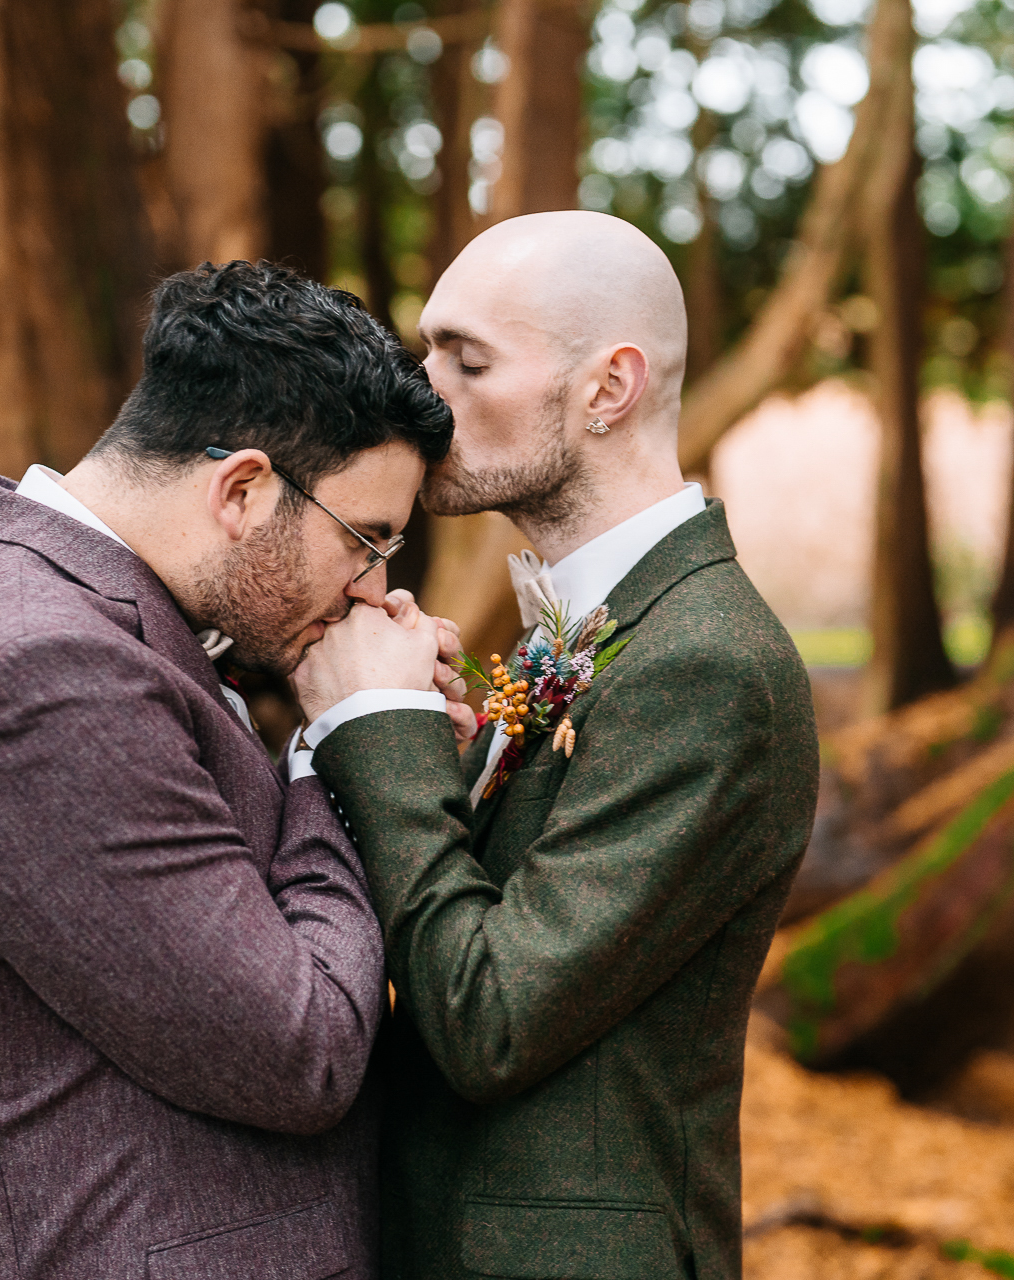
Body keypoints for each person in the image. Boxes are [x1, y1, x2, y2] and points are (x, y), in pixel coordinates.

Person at [0, 261, 453, 1280]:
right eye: (365, 538)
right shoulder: (40, 673)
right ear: (244, 489)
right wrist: (351, 733)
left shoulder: (74, 613)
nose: (373, 586)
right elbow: (303, 1049)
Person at [291, 211, 820, 1280]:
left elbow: (492, 1015)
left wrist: (374, 737)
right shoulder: (599, 628)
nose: (422, 386)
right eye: (425, 346)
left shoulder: (705, 662)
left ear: (607, 388)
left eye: (467, 358)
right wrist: (433, 765)